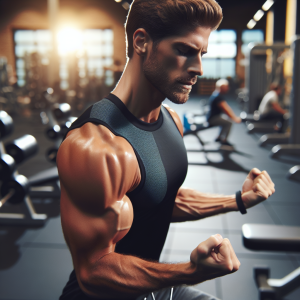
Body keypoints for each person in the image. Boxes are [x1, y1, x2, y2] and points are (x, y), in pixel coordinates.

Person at [57, 1, 275, 299]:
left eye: (202, 54)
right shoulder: (98, 147)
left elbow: (158, 197)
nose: (198, 68)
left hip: (149, 286)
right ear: (142, 42)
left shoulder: (171, 120)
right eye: (184, 51)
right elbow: (92, 272)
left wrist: (238, 199)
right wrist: (190, 272)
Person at [206, 79, 241, 146]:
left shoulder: (216, 94)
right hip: (213, 119)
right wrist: (235, 118)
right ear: (221, 87)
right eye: (226, 87)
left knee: (225, 120)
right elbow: (226, 109)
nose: (228, 88)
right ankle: (224, 140)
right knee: (229, 122)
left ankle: (219, 137)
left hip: (213, 116)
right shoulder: (218, 97)